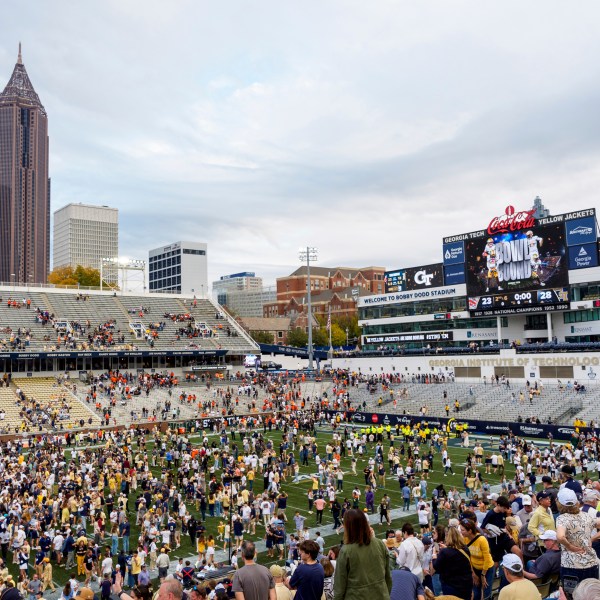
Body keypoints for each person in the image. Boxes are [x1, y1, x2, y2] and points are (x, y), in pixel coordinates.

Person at [333, 508, 392, 600]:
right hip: (381, 594)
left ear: (349, 527)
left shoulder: (346, 551)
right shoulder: (379, 543)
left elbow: (339, 587)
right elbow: (388, 577)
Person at [555, 487, 600, 589]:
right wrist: (592, 539)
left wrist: (570, 547)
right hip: (591, 563)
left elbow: (560, 536)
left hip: (572, 565)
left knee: (572, 596)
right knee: (591, 595)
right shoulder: (586, 516)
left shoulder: (562, 518)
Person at [432, 525, 473, 599]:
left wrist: (434, 555)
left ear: (448, 537)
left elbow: (436, 566)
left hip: (451, 586)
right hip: (466, 584)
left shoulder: (445, 552)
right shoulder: (465, 549)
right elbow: (455, 553)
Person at [460, 518, 494, 600]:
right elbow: (468, 557)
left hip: (487, 568)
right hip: (475, 568)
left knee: (486, 592)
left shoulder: (482, 540)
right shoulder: (465, 539)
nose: (461, 532)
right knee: (476, 593)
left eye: (463, 530)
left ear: (470, 531)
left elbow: (487, 558)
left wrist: (483, 575)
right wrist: (473, 573)